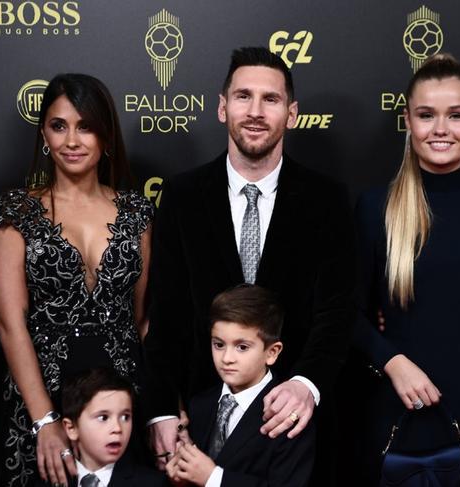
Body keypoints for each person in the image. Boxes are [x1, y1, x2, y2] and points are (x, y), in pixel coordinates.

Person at [143, 46, 354, 485]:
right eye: (243, 97)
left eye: (270, 99)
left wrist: (306, 385)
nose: (255, 111)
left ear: (291, 113)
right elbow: (165, 317)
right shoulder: (182, 197)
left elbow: (337, 313)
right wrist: (162, 409)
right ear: (222, 107)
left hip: (295, 427)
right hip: (202, 425)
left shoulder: (327, 200)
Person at [353, 53, 460, 486]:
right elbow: (347, 314)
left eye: (456, 115)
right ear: (408, 121)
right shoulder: (377, 207)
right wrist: (393, 362)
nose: (441, 130)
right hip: (404, 409)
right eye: (426, 115)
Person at [0, 73, 153, 487]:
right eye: (59, 126)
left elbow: (139, 321)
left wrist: (164, 404)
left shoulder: (136, 213)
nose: (71, 140)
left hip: (120, 400)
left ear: (106, 135)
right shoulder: (17, 211)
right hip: (40, 395)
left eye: (86, 126)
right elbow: (9, 323)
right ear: (44, 133)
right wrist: (44, 419)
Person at [166, 284, 315, 487]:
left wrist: (213, 478)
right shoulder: (200, 404)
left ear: (272, 352)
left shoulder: (288, 414)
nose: (227, 358)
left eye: (242, 347)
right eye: (219, 344)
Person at [40, 367, 166, 487]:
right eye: (103, 418)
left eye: (125, 417)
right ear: (71, 429)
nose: (117, 428)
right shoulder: (49, 482)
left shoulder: (152, 483)